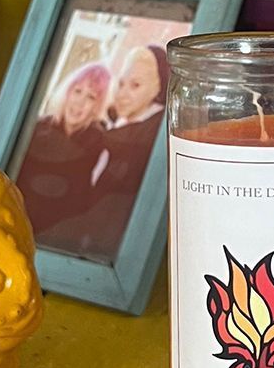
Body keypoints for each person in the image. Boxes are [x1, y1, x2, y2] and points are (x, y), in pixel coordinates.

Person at [82, 44, 170, 256]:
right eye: (121, 84)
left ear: (158, 87)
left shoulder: (153, 134)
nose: (122, 94)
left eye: (135, 85)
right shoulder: (115, 128)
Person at [14, 61, 111, 249]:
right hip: (19, 228)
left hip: (62, 242)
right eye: (77, 91)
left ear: (97, 106)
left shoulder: (100, 144)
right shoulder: (35, 129)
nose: (80, 102)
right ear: (67, 92)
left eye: (91, 97)